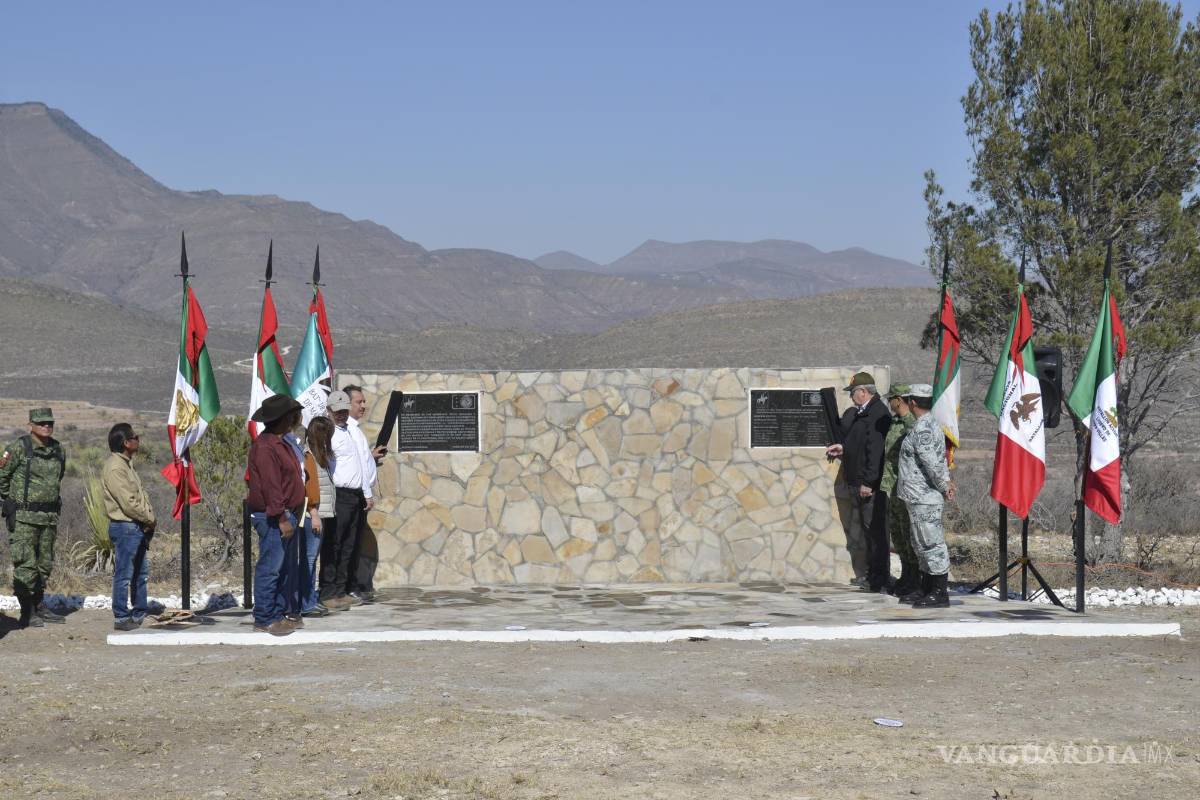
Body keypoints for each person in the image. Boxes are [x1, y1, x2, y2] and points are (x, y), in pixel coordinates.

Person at [0, 408, 68, 628]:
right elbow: (2, 476)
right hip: (24, 517)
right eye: (41, 423)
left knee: (44, 564)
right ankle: (27, 611)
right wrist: (10, 502)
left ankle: (39, 606)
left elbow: (59, 476)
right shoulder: (19, 448)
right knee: (25, 565)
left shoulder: (58, 449)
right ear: (31, 425)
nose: (46, 426)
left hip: (48, 517)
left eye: (50, 423)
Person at [825, 372, 892, 592]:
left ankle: (879, 579)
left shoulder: (877, 414)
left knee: (876, 533)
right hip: (859, 481)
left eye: (853, 393)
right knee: (868, 532)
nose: (851, 397)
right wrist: (843, 448)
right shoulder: (864, 413)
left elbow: (875, 452)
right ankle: (872, 576)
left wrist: (869, 482)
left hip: (868, 486)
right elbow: (860, 444)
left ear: (863, 392)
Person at [246, 394, 306, 636]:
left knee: (282, 568)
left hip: (286, 514)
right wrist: (281, 518)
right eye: (293, 415)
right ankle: (264, 617)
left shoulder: (281, 443)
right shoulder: (266, 447)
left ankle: (278, 613)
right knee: (270, 568)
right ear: (284, 419)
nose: (296, 418)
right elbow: (271, 486)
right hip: (273, 517)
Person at [896, 384, 957, 608]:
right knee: (921, 544)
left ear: (913, 403)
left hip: (925, 497)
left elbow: (932, 462)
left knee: (932, 544)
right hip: (916, 496)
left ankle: (939, 592)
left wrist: (944, 485)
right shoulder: (924, 424)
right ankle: (926, 587)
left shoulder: (924, 428)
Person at [101, 423, 156, 631]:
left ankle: (139, 612)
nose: (138, 440)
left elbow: (138, 496)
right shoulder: (116, 468)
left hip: (135, 526)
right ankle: (121, 617)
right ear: (126, 442)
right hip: (126, 527)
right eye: (135, 437)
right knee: (124, 574)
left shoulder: (126, 464)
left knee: (140, 573)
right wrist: (149, 518)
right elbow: (129, 503)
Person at [321, 390, 371, 608]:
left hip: (354, 495)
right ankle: (328, 592)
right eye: (337, 411)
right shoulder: (328, 433)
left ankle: (341, 590)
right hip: (338, 495)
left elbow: (360, 463)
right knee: (334, 545)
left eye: (344, 410)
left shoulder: (349, 431)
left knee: (348, 545)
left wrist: (366, 492)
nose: (341, 414)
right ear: (329, 410)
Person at [879, 384, 921, 600]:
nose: (889, 403)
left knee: (909, 532)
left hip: (907, 486)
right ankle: (906, 574)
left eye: (891, 399)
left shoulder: (912, 423)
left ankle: (915, 579)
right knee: (898, 533)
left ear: (899, 399)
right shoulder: (895, 422)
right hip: (893, 485)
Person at [344, 384, 383, 602]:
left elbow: (361, 459)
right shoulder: (347, 430)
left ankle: (351, 586)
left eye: (364, 402)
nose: (363, 406)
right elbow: (356, 465)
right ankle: (346, 588)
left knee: (354, 543)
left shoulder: (355, 430)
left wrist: (371, 456)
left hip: (359, 495)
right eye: (359, 402)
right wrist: (366, 493)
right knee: (348, 544)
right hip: (353, 495)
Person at [301, 415, 337, 617]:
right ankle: (306, 603)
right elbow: (310, 488)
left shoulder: (319, 455)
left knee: (312, 558)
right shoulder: (308, 456)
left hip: (320, 514)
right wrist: (314, 513)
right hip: (312, 516)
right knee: (309, 558)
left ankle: (310, 600)